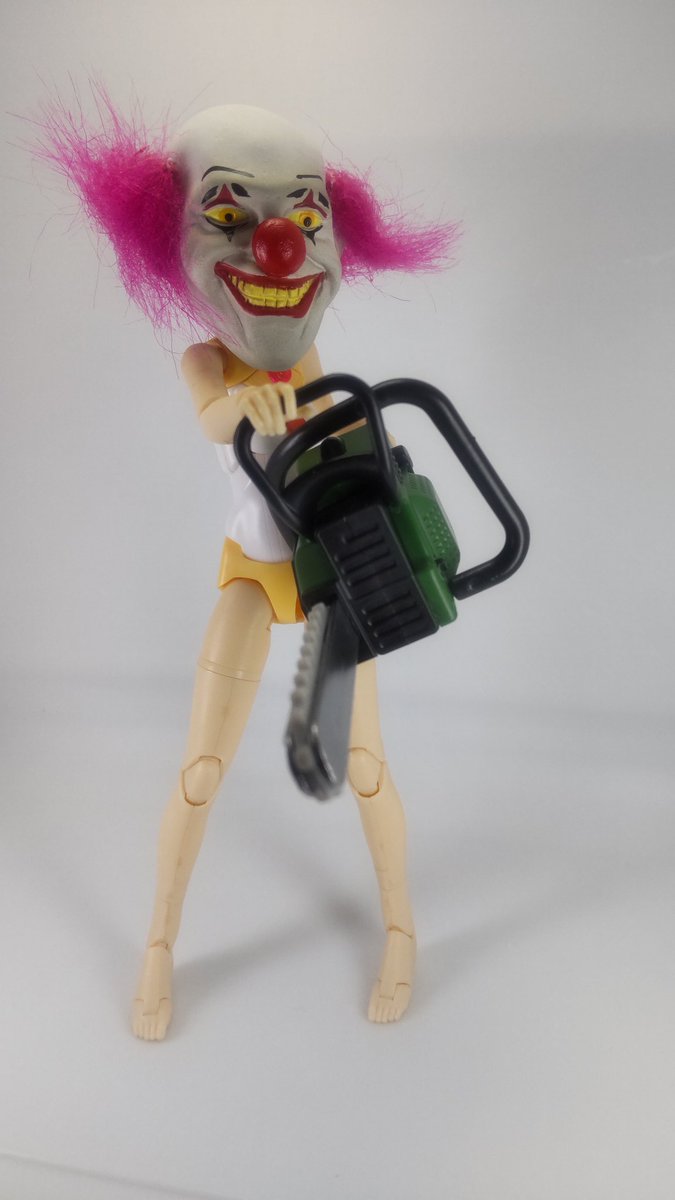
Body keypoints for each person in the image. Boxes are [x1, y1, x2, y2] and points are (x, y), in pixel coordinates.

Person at [32, 95, 457, 1037]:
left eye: (303, 218)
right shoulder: (204, 361)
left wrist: (360, 446)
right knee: (200, 769)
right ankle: (157, 945)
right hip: (253, 574)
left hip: (331, 568)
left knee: (366, 764)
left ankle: (401, 928)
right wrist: (249, 410)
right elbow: (214, 418)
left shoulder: (308, 353)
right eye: (230, 215)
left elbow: (335, 420)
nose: (276, 244)